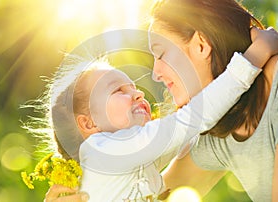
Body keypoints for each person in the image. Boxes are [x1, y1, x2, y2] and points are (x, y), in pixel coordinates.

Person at [43, 27, 278, 201]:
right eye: (118, 90)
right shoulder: (102, 150)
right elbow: (194, 119)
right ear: (89, 123)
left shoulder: (121, 164)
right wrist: (254, 56)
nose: (138, 95)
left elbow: (188, 136)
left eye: (134, 88)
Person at [149, 0, 278, 201]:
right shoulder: (221, 133)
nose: (155, 74)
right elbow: (155, 198)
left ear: (201, 45)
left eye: (161, 54)